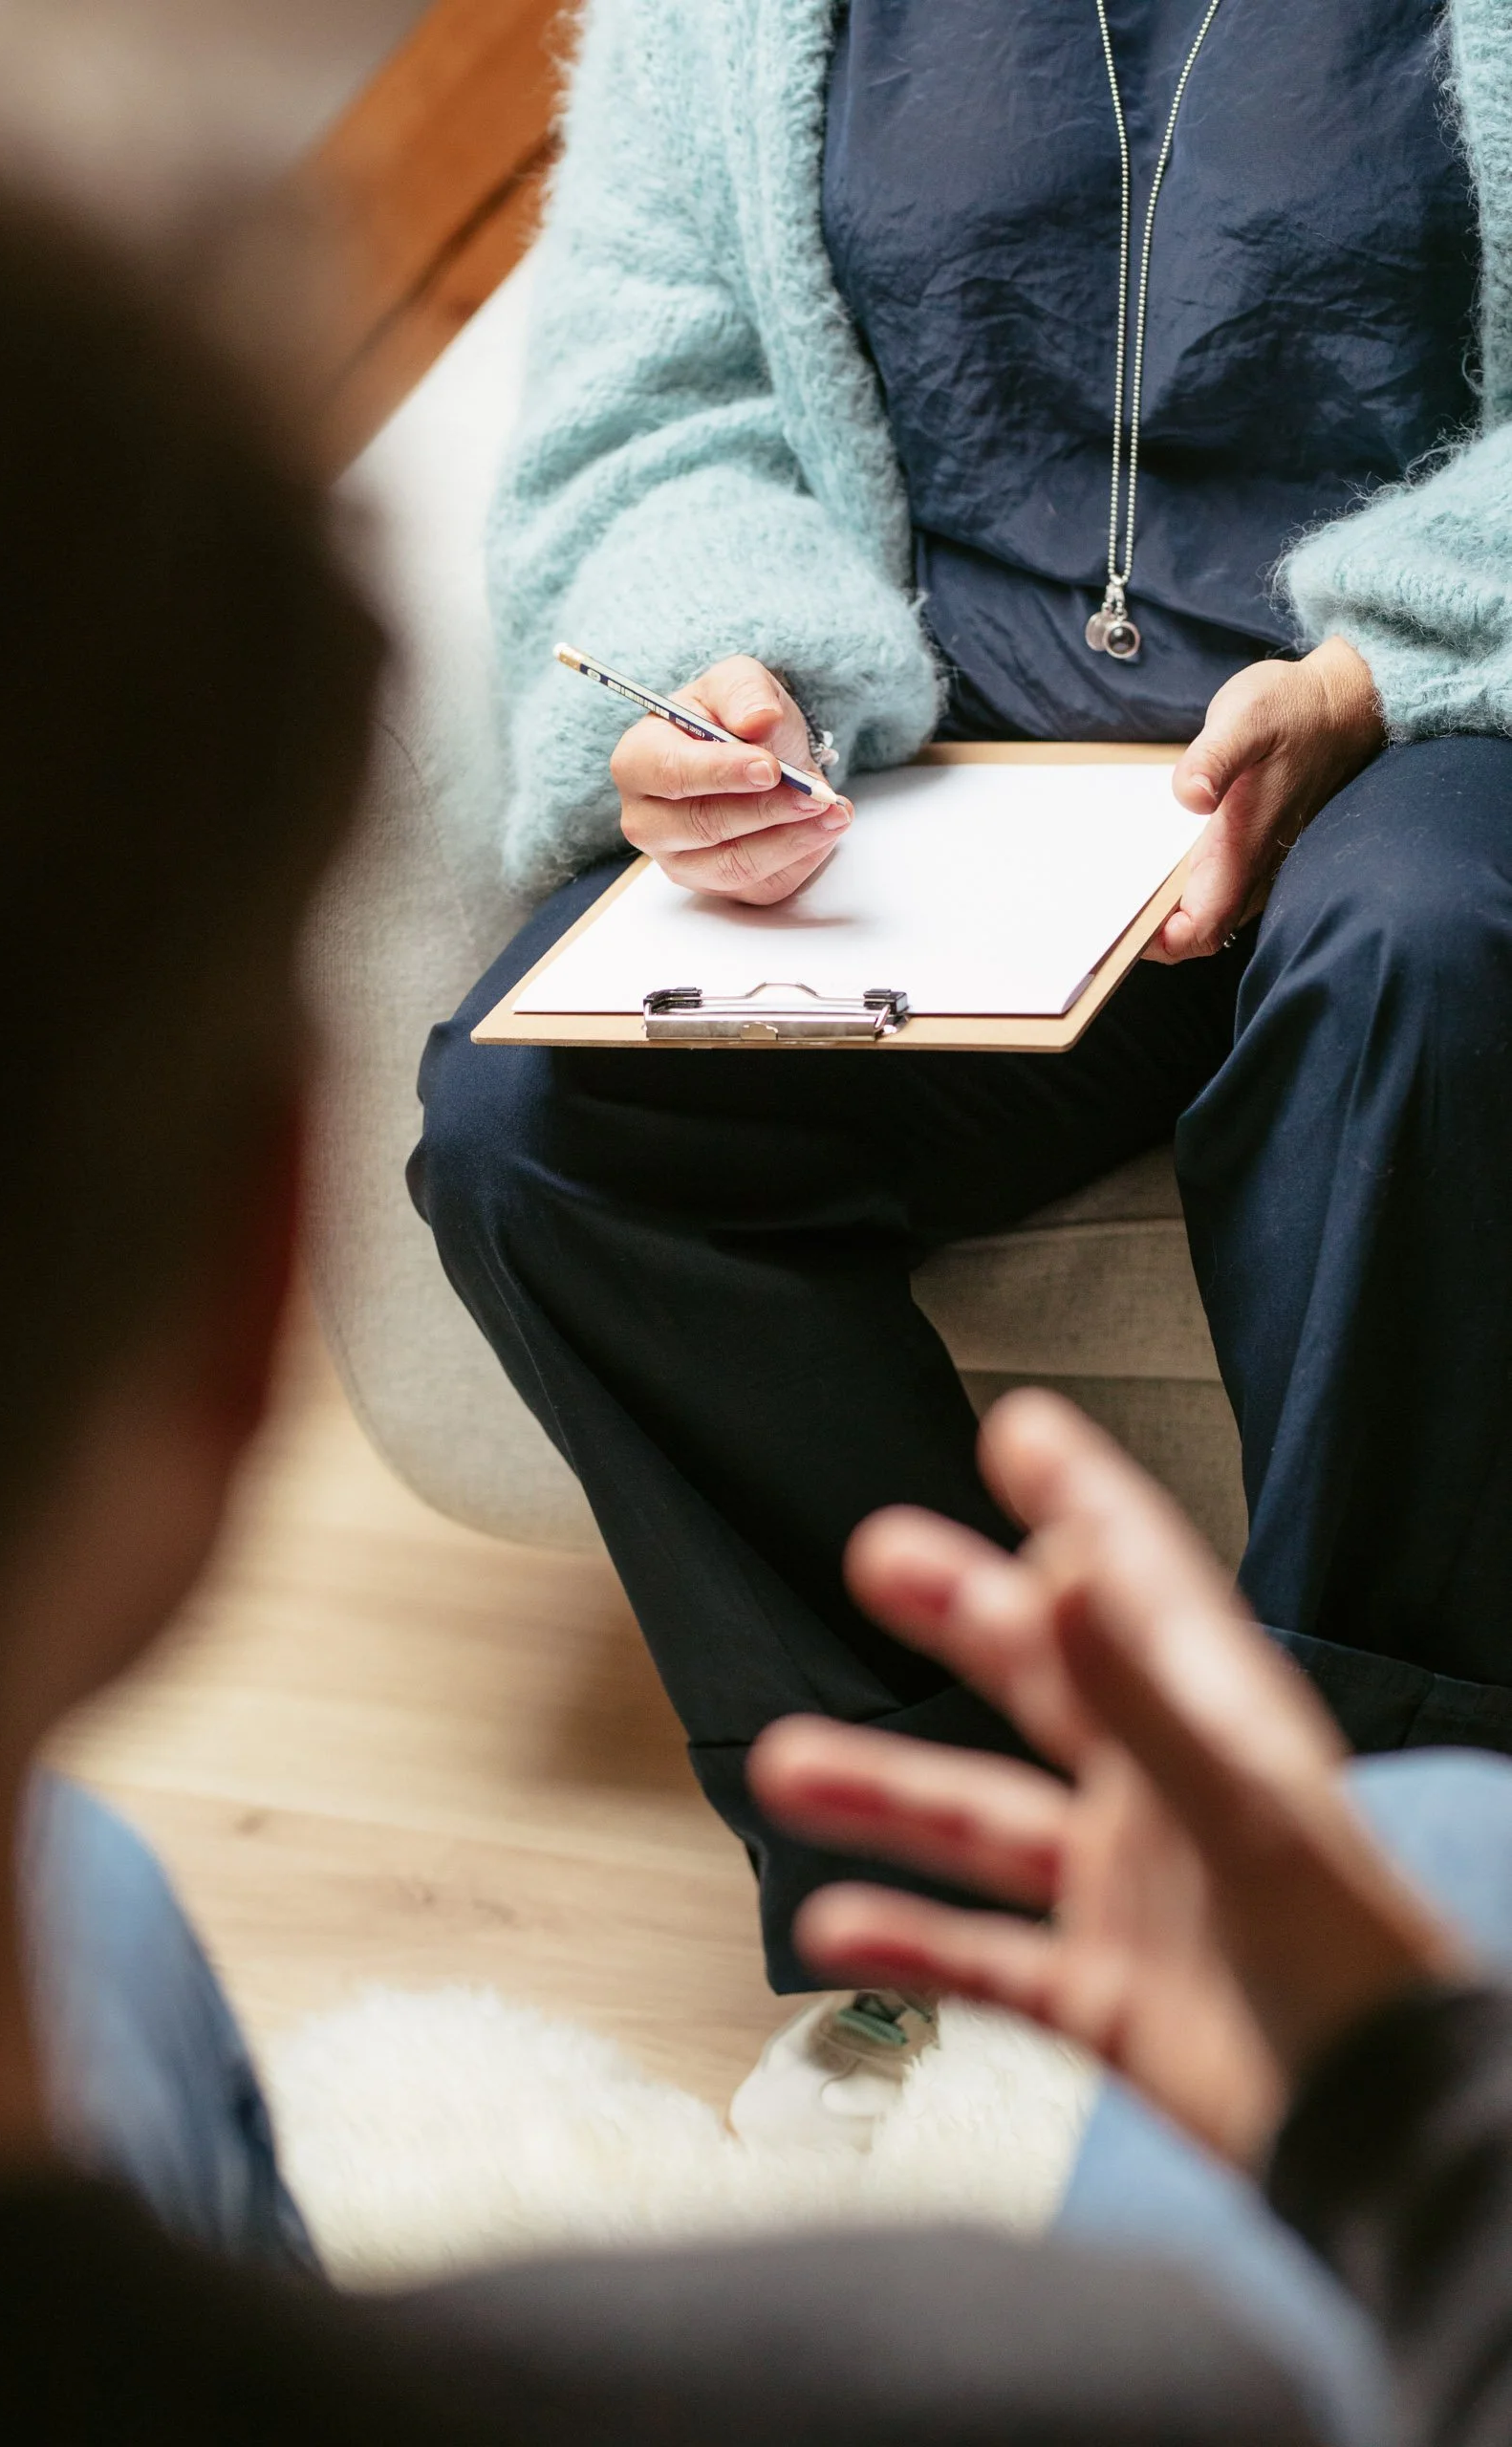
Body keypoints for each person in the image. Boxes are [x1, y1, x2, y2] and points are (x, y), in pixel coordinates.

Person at [415, 0, 1512, 2143]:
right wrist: (725, 674)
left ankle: (1383, 1896)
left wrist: (1384, 665)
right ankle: (958, 1899)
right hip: (931, 774)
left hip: (1404, 728)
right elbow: (660, 413)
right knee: (533, 1124)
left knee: (1428, 971)